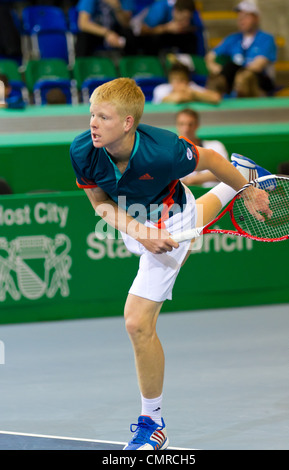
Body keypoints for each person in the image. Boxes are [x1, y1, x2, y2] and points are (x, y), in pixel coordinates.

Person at [69, 77, 271, 450]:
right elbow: (100, 204)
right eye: (92, 114)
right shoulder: (83, 149)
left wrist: (251, 193)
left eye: (104, 117)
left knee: (137, 322)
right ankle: (240, 174)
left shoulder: (163, 150)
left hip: (172, 220)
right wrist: (139, 232)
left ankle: (153, 422)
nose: (93, 123)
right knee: (200, 214)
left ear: (128, 123)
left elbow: (208, 158)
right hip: (135, 222)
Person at [205, 1, 277, 97]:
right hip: (234, 80)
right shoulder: (233, 39)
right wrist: (217, 70)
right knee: (218, 79)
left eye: (246, 16)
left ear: (256, 18)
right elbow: (210, 56)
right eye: (239, 16)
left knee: (245, 76)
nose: (241, 20)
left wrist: (234, 74)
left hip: (258, 81)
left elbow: (257, 66)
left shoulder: (266, 39)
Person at [175, 108, 229, 187]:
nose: (186, 129)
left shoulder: (215, 146)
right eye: (182, 124)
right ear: (177, 126)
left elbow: (226, 172)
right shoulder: (171, 152)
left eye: (190, 124)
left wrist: (193, 179)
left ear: (197, 125)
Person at [139, 0, 206, 56]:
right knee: (154, 39)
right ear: (176, 11)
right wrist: (166, 28)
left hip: (177, 38)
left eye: (188, 19)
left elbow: (197, 28)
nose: (186, 22)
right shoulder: (160, 9)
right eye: (184, 18)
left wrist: (186, 28)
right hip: (158, 37)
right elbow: (143, 31)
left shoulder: (192, 14)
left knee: (191, 38)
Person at [152, 62, 221, 105]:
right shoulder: (160, 89)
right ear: (170, 80)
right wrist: (197, 97)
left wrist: (193, 93)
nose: (178, 83)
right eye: (174, 79)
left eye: (181, 79)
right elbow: (178, 99)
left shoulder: (191, 87)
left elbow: (216, 97)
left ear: (187, 80)